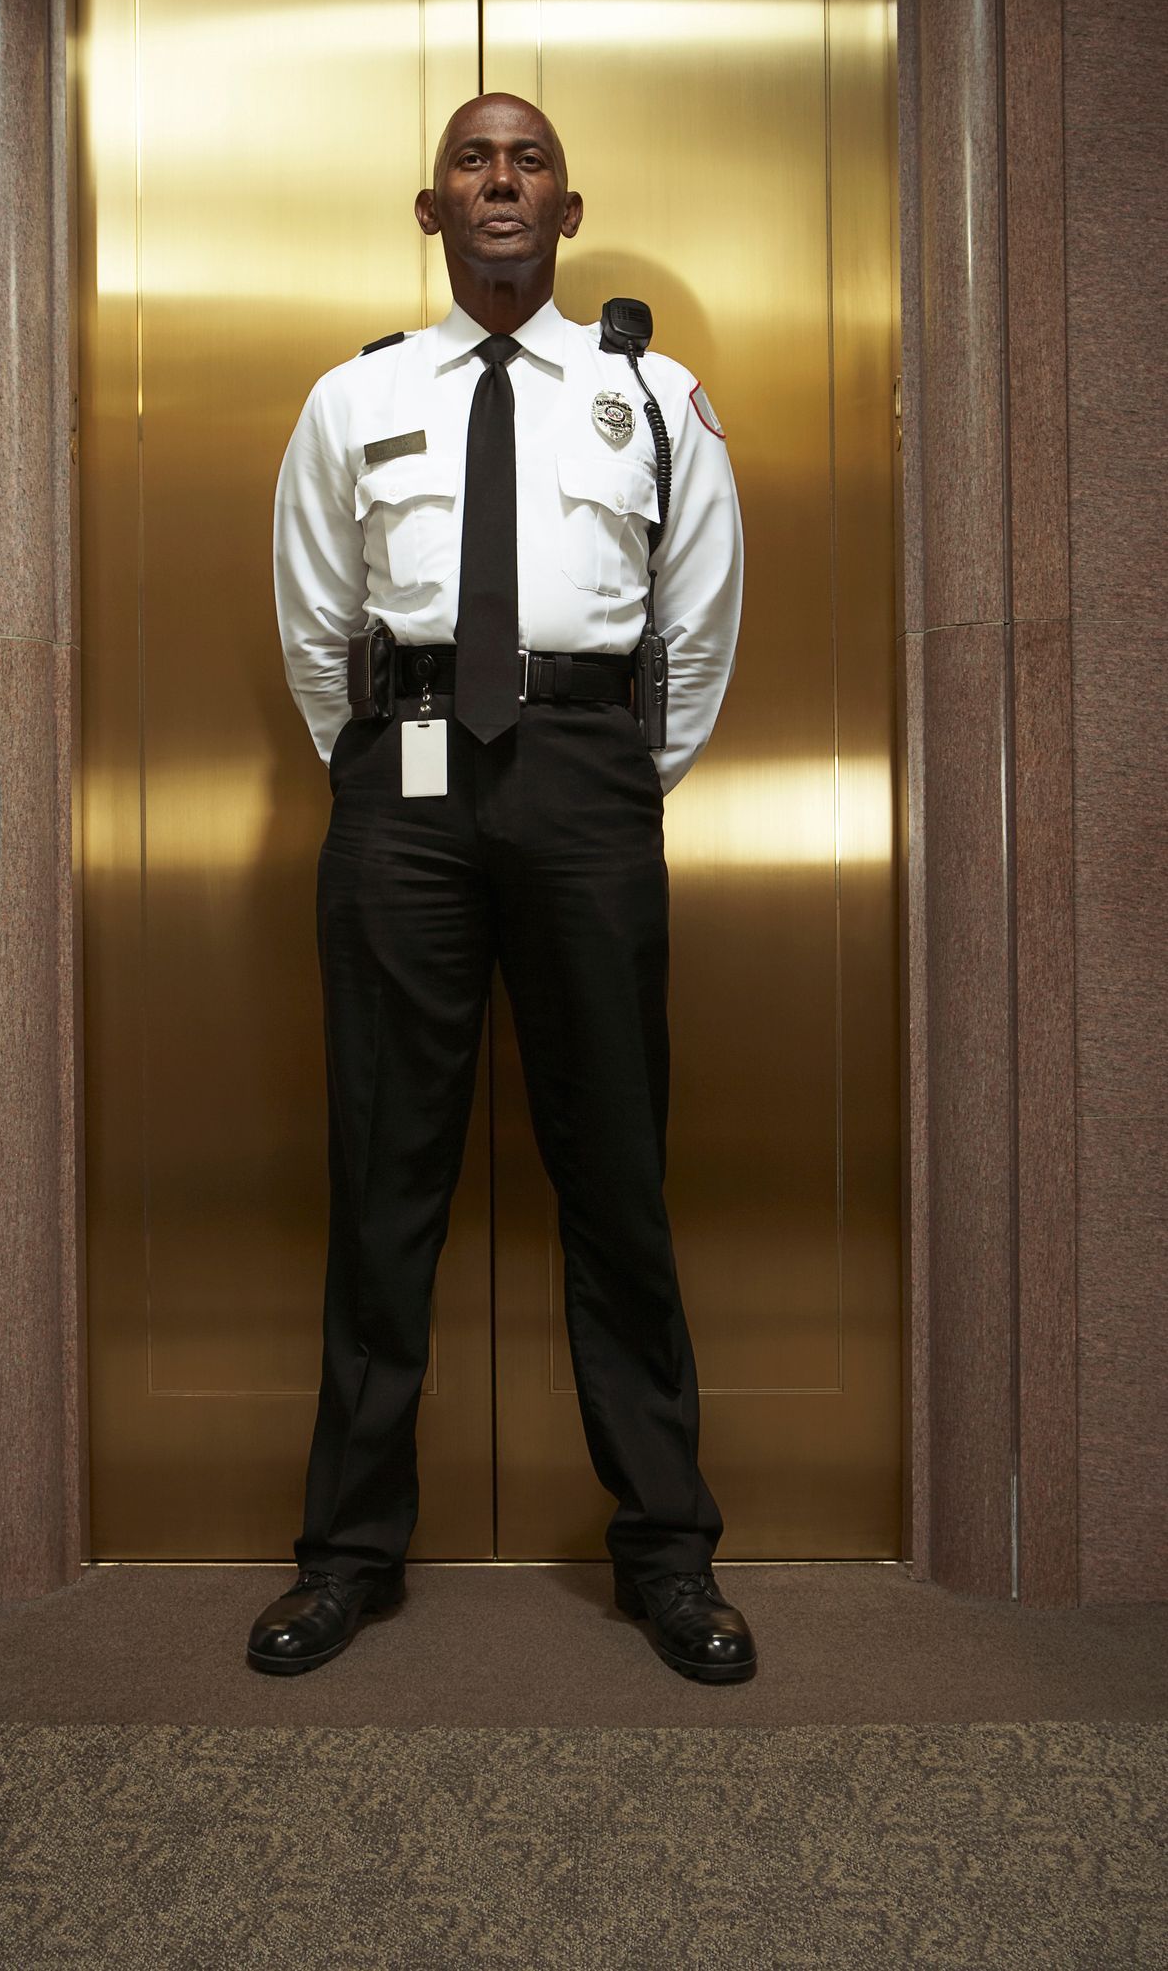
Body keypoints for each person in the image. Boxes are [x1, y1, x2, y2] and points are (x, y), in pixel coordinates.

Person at [250, 92, 754, 1684]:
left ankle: (668, 1551)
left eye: (526, 160)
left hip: (587, 780)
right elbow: (314, 614)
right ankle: (347, 1552)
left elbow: (700, 620)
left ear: (568, 203)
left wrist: (605, 781)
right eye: (472, 160)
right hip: (399, 787)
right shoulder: (353, 398)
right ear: (428, 208)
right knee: (383, 1166)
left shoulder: (653, 395)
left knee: (613, 1169)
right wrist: (388, 761)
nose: (499, 181)